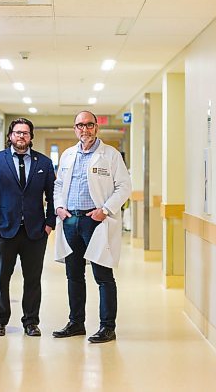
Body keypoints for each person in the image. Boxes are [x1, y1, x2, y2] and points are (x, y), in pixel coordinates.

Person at [52, 111, 131, 343]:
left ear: (96, 128)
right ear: (75, 129)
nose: (84, 129)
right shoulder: (67, 155)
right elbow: (58, 185)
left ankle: (107, 327)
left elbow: (124, 187)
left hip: (95, 221)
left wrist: (104, 210)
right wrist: (59, 208)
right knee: (73, 275)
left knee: (103, 276)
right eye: (79, 125)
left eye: (88, 125)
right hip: (70, 220)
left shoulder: (110, 155)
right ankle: (76, 323)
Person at [0, 117, 55, 337]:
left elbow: (53, 196)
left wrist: (49, 224)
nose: (21, 136)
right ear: (10, 136)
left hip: (35, 232)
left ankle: (31, 322)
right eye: (17, 132)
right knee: (1, 278)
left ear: (31, 137)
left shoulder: (44, 163)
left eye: (25, 133)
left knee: (33, 279)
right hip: (4, 230)